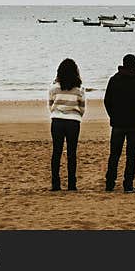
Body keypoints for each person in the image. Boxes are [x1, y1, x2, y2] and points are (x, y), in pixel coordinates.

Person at [103, 53, 135, 193]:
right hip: (133, 125)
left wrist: (113, 115)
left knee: (114, 154)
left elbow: (107, 101)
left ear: (123, 64)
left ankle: (110, 183)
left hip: (118, 123)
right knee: (131, 155)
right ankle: (128, 184)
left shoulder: (114, 80)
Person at [48, 58, 86, 191]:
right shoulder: (79, 89)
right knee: (71, 153)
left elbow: (50, 104)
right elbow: (82, 107)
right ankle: (72, 184)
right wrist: (77, 116)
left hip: (57, 120)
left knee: (56, 152)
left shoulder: (54, 87)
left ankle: (55, 183)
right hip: (73, 122)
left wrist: (56, 112)